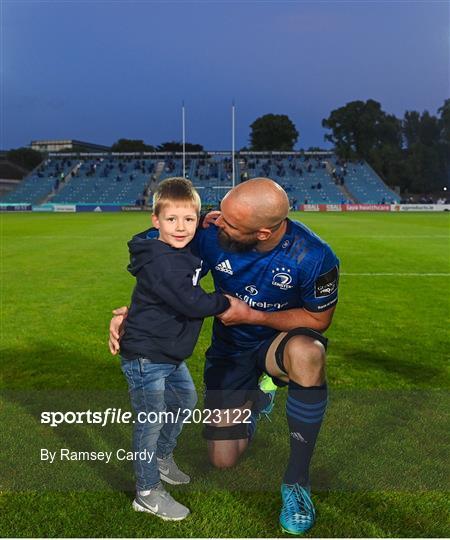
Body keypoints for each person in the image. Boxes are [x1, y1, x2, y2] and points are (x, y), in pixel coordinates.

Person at [110, 178, 339, 534]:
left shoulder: (314, 256)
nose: (217, 222)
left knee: (308, 353)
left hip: (278, 343)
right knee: (223, 459)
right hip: (231, 350)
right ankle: (256, 399)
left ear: (262, 233)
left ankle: (296, 482)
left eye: (229, 223)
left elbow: (318, 320)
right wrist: (129, 314)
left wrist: (253, 315)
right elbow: (158, 263)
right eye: (220, 214)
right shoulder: (211, 231)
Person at [116, 177, 231, 522]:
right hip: (146, 355)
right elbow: (192, 302)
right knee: (149, 422)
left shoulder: (181, 248)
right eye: (171, 220)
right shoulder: (161, 261)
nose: (181, 228)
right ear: (155, 221)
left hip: (168, 352)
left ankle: (162, 458)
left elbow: (193, 252)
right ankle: (147, 492)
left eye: (189, 220)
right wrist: (225, 301)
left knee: (185, 401)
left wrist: (209, 216)